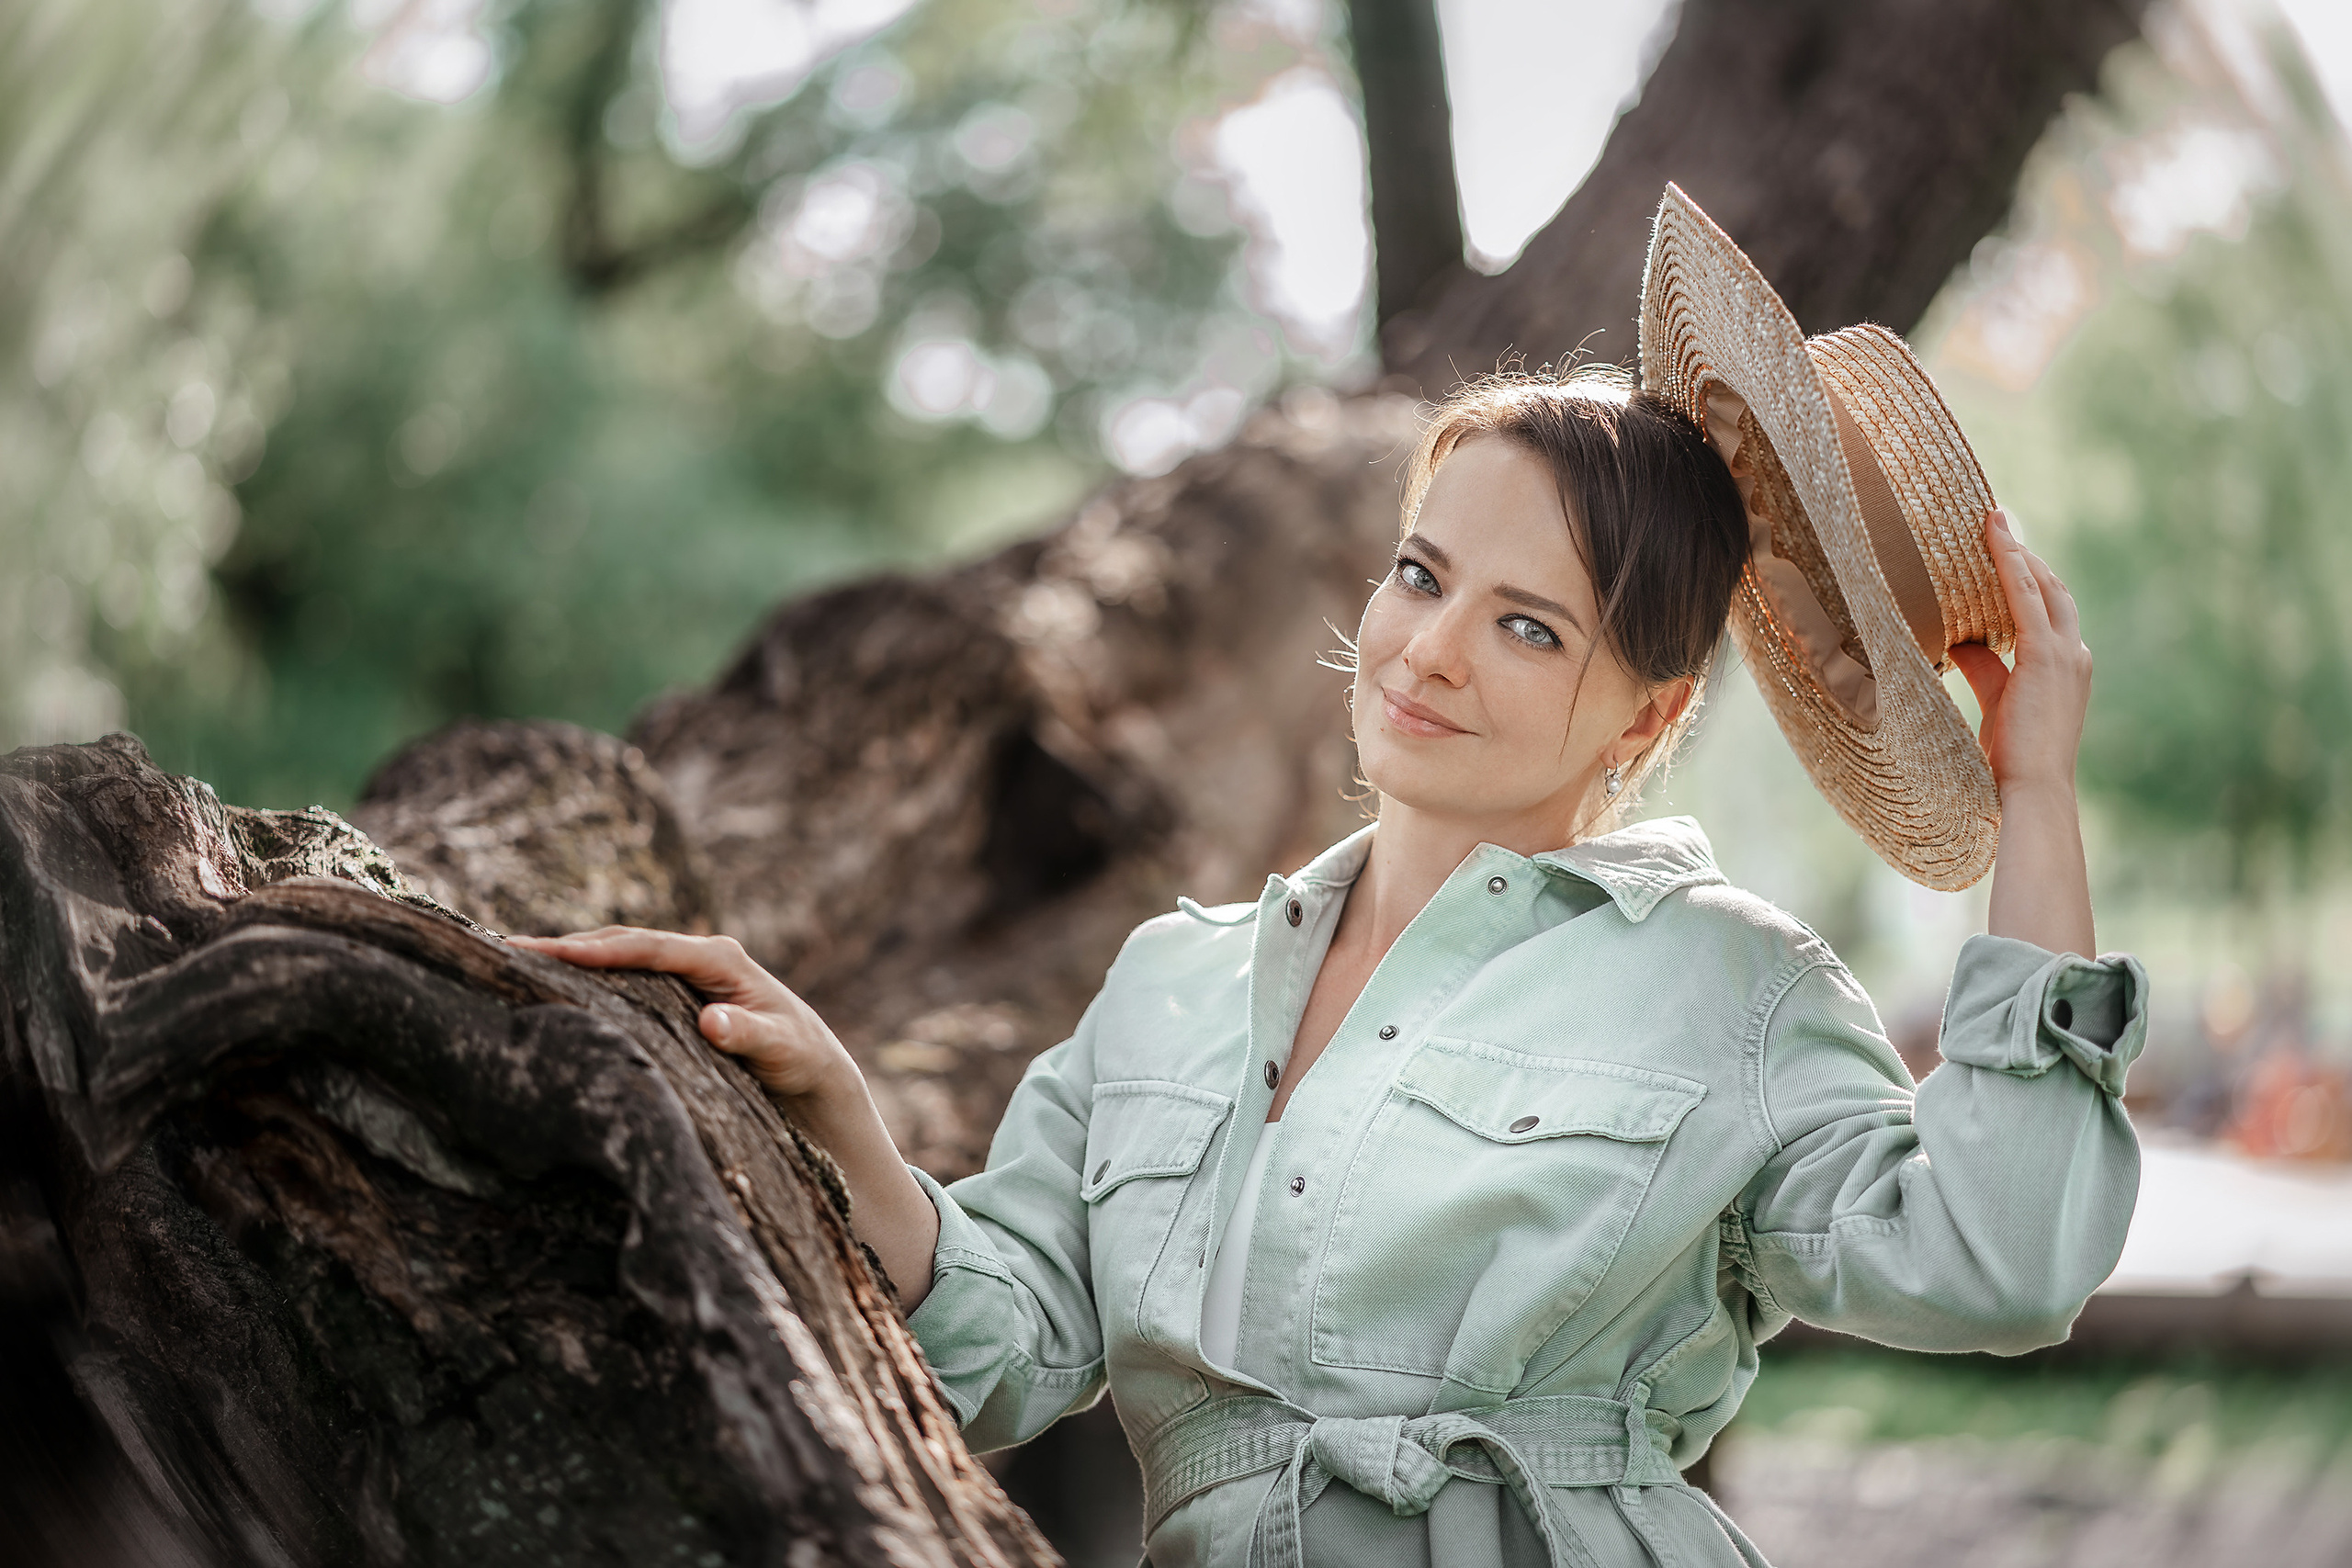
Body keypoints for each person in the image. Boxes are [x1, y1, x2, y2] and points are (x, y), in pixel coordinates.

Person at [513, 189, 2146, 1568]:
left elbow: (2006, 1261)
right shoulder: (1173, 983)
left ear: (1647, 715)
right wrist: (841, 1117)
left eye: (1528, 627)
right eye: (1421, 575)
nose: (1428, 652)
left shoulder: (1735, 989)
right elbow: (999, 1349)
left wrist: (2038, 793)